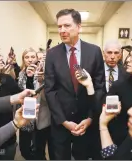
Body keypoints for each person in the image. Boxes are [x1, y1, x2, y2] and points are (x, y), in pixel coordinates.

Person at [44, 8, 106, 160]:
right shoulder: (52, 54)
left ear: (79, 27)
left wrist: (90, 118)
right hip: (61, 120)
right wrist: (64, 121)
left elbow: (99, 87)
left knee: (83, 156)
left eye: (67, 26)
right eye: (59, 27)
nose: (62, 30)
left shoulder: (94, 51)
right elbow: (50, 89)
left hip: (86, 119)